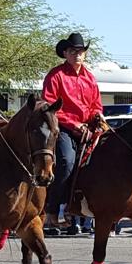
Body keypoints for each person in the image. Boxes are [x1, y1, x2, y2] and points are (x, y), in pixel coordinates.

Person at [41, 32, 103, 233]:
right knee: (67, 161)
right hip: (63, 128)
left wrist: (97, 117)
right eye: (73, 51)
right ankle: (54, 208)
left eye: (81, 51)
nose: (78, 54)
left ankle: (86, 203)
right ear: (65, 53)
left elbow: (96, 105)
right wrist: (74, 124)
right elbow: (50, 105)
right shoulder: (56, 75)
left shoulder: (90, 78)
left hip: (88, 128)